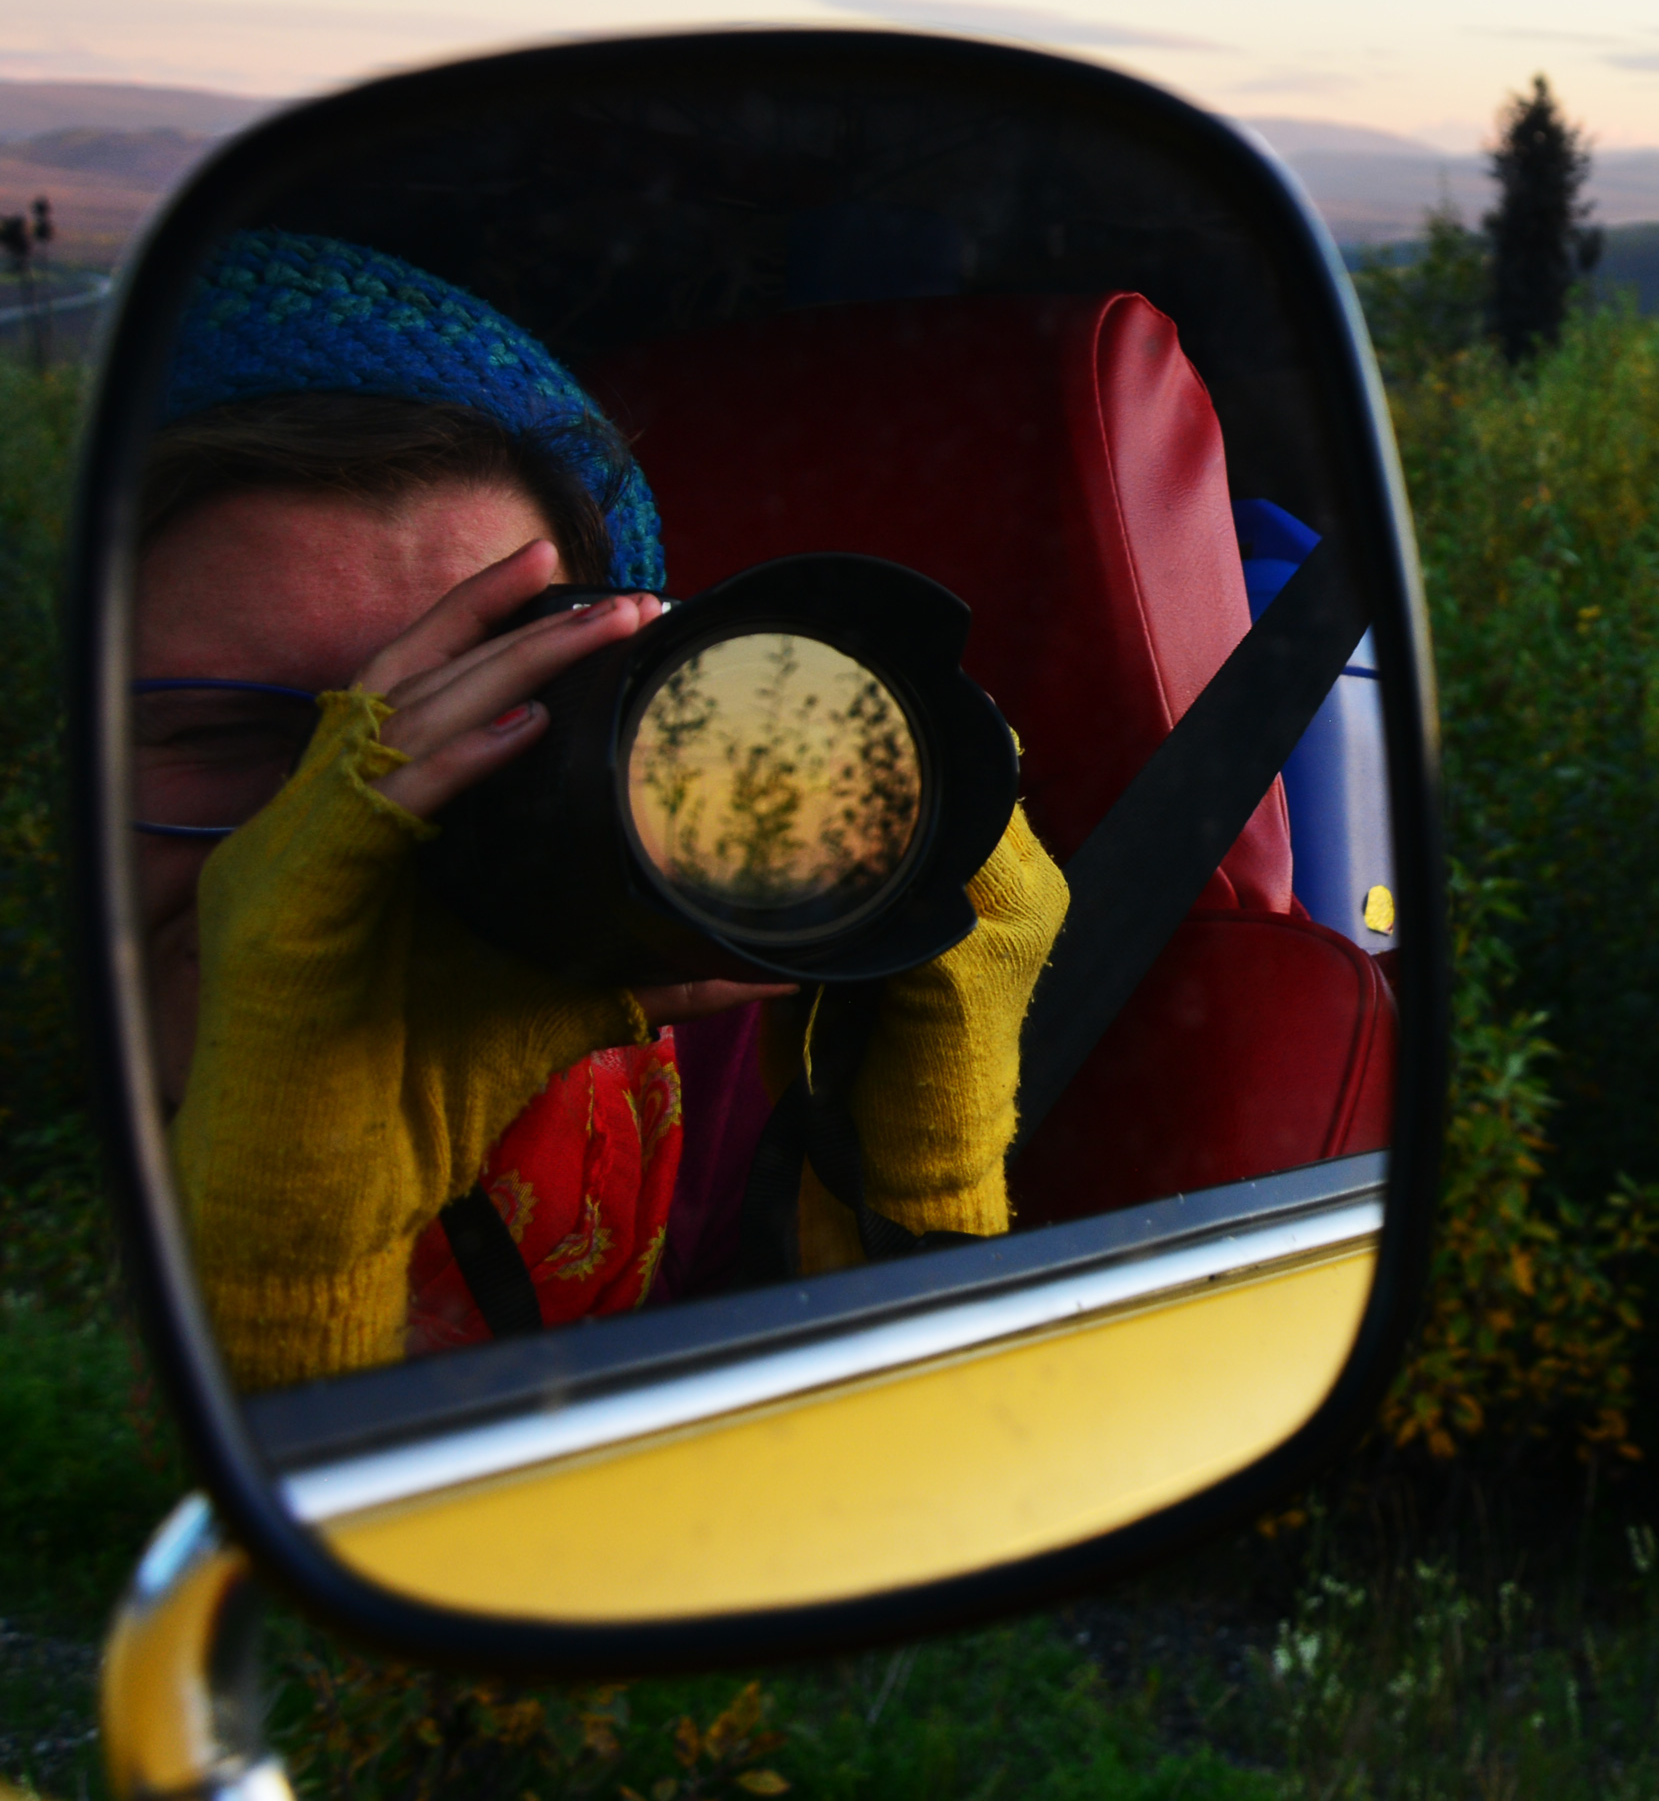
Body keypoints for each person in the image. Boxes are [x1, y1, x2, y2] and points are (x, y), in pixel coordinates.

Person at [133, 230, 1067, 1390]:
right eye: (224, 737)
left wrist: (915, 1176)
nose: (348, 835)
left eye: (487, 715)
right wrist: (287, 1261)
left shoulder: (683, 1048)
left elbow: (869, 1469)